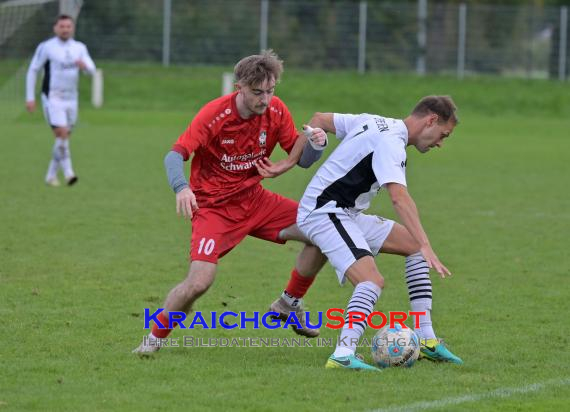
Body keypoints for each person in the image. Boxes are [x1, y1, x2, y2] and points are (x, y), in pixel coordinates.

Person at [133, 50, 329, 354]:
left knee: (323, 233)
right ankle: (153, 339)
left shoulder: (276, 111)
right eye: (257, 93)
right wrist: (181, 187)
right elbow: (175, 155)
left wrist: (317, 145)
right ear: (239, 87)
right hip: (214, 208)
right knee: (198, 283)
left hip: (257, 200)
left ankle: (289, 303)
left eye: (270, 91)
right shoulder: (215, 114)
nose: (265, 100)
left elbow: (300, 159)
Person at [296, 96, 464, 370]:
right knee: (371, 280)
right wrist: (427, 244)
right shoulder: (392, 143)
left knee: (412, 246)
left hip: (343, 212)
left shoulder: (375, 121)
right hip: (324, 213)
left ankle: (426, 340)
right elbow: (399, 197)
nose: (440, 143)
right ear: (431, 120)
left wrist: (291, 161)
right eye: (442, 135)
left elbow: (319, 119)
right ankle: (342, 355)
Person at [25, 14, 96, 187]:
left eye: (68, 26)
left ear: (72, 28)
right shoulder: (47, 47)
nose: (65, 29)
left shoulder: (79, 47)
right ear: (55, 28)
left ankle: (50, 175)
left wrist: (84, 67)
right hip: (52, 97)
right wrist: (30, 97)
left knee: (63, 139)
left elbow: (92, 70)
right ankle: (69, 173)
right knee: (62, 133)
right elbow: (33, 70)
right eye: (62, 26)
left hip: (72, 99)